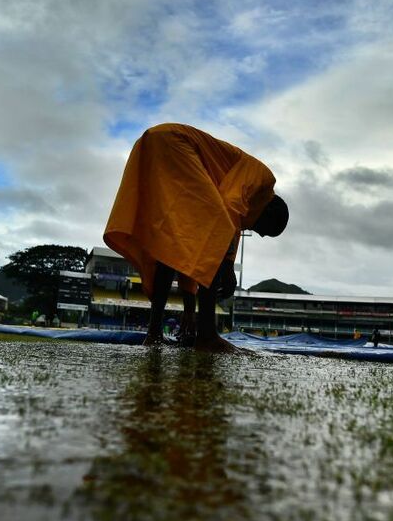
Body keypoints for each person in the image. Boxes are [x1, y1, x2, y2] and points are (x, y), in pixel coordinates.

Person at [104, 123, 288, 352]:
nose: (256, 232)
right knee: (215, 226)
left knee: (170, 246)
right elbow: (226, 210)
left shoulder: (248, 194)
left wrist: (189, 311)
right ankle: (207, 336)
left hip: (153, 142)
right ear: (269, 211)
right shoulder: (263, 179)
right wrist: (228, 265)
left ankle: (153, 334)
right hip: (174, 142)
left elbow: (191, 254)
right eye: (263, 229)